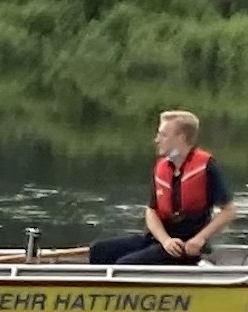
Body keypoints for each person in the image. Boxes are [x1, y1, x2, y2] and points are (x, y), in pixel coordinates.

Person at [88, 109, 237, 266]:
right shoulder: (162, 167)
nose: (157, 140)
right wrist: (165, 240)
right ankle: (95, 289)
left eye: (163, 135)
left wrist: (200, 239)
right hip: (161, 241)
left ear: (181, 138)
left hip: (185, 247)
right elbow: (151, 211)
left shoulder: (207, 167)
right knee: (99, 250)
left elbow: (229, 211)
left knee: (126, 264)